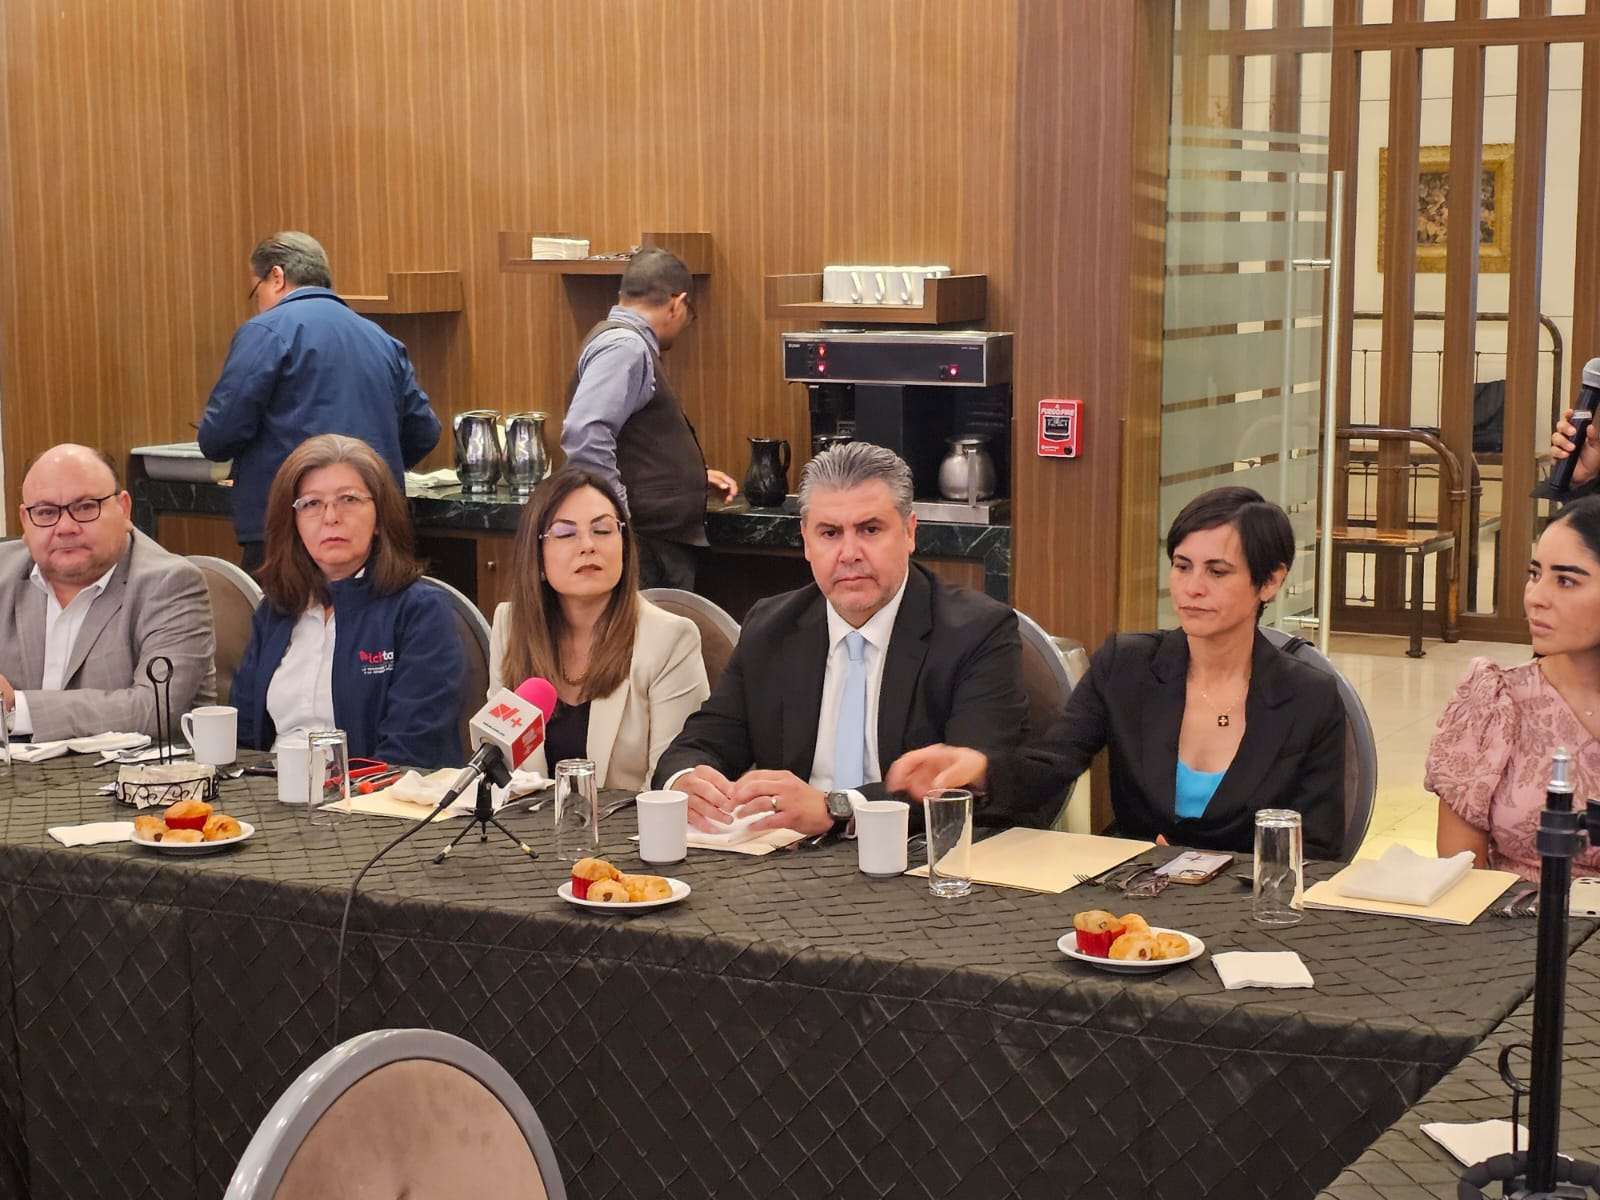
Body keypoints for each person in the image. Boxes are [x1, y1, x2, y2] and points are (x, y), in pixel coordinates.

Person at [889, 486, 1348, 857]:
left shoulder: (1309, 695)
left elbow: (1317, 850)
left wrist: (1208, 868)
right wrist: (981, 770)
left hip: (1247, 909)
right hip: (1131, 897)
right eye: (1182, 566)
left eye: (1218, 572)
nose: (1192, 588)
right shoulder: (1127, 666)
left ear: (1270, 581)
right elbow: (1051, 766)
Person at [653, 442, 1029, 836]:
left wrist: (839, 807)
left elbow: (971, 785)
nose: (850, 553)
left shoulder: (976, 632)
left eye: (870, 529)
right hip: (787, 857)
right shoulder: (772, 627)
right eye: (830, 533)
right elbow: (701, 742)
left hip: (915, 854)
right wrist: (685, 781)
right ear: (806, 541)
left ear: (909, 532)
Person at [197, 232, 441, 571]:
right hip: (375, 525)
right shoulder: (382, 339)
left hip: (293, 526)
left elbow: (219, 435)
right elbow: (424, 431)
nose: (258, 304)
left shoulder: (266, 331)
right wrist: (371, 474)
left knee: (289, 607)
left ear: (277, 276)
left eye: (256, 291)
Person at [230, 434, 462, 765]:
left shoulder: (420, 611)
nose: (331, 517)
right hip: (272, 785)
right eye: (311, 503)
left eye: (349, 499)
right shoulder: (278, 608)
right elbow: (242, 736)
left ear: (380, 518)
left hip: (373, 792)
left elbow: (411, 751)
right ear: (293, 523)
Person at [487, 466, 710, 790]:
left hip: (632, 821)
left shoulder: (670, 640)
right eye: (566, 534)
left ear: (625, 545)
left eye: (603, 530)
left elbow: (669, 788)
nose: (588, 545)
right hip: (526, 820)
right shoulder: (511, 627)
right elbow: (501, 770)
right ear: (536, 554)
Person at [1428, 495, 1600, 881]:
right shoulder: (1496, 700)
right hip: (1512, 913)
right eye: (1535, 574)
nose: (1535, 598)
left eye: (1566, 581)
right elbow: (1459, 870)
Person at [0, 445, 215, 742]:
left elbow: (154, 709)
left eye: (85, 507)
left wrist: (15, 707)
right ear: (25, 521)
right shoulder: (4, 571)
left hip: (133, 770)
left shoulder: (171, 583)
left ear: (124, 509)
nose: (65, 527)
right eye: (46, 512)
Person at [559, 247, 738, 590]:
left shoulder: (625, 344)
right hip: (644, 546)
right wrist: (615, 521)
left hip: (651, 542)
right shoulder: (625, 347)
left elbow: (629, 439)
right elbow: (585, 433)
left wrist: (688, 479)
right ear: (677, 304)